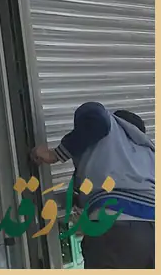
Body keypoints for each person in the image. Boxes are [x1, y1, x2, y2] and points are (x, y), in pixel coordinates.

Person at [32, 101, 154, 268]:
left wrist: (55, 154)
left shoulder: (106, 121)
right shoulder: (148, 152)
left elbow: (97, 120)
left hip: (117, 231)